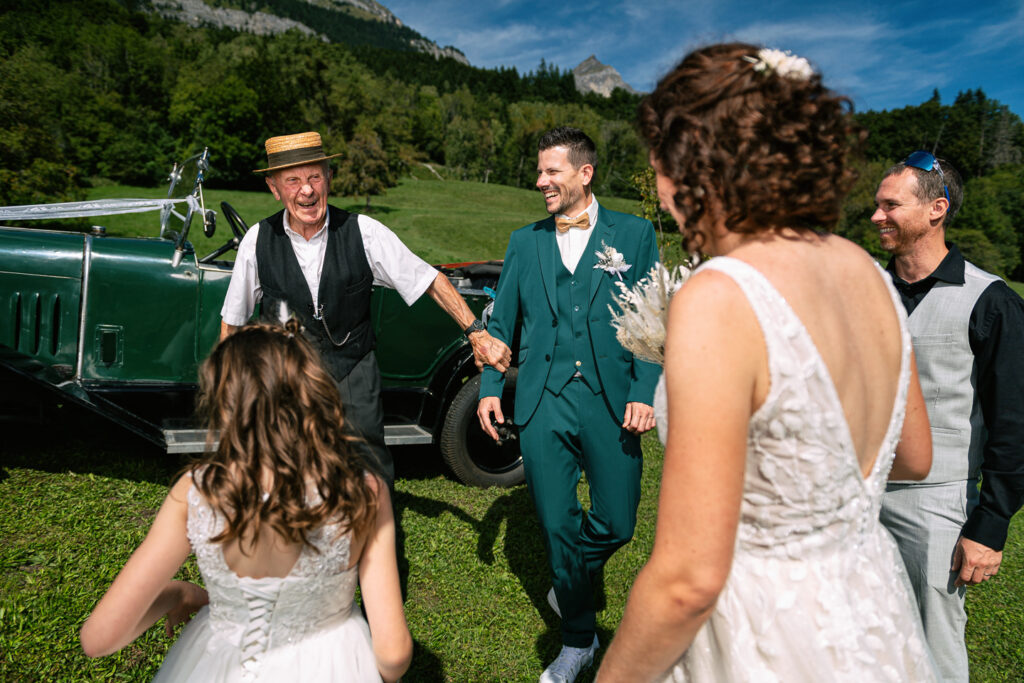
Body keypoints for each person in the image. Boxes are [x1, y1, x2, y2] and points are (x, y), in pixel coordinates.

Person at [595, 43, 938, 681]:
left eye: (662, 169)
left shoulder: (721, 295)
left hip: (764, 630)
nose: (663, 197)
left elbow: (687, 581)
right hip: (872, 610)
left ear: (700, 166)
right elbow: (915, 457)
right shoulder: (870, 274)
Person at [80, 321, 412, 682]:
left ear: (224, 403)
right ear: (313, 394)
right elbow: (393, 655)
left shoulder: (195, 492)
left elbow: (100, 638)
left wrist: (177, 594)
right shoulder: (364, 491)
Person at [221, 131, 511, 486]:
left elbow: (429, 279)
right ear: (274, 188)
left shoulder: (364, 231)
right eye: (293, 180)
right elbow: (232, 321)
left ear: (329, 178)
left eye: (314, 177)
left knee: (367, 473)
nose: (306, 190)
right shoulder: (257, 240)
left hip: (352, 371)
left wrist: (477, 334)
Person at [477, 126, 660, 683]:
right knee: (558, 525)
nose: (540, 181)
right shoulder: (524, 241)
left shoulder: (635, 234)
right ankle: (577, 640)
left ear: (585, 173)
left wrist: (644, 392)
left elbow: (652, 320)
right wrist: (490, 387)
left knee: (619, 521)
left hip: (611, 399)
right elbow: (501, 323)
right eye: (539, 171)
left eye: (551, 171)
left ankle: (570, 578)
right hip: (542, 400)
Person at [873, 152, 1024, 681]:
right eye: (877, 204)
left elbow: (1014, 423)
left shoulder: (991, 301)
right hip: (855, 495)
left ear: (936, 209)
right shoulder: (863, 291)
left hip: (936, 504)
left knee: (932, 654)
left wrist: (991, 524)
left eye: (891, 205)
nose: (877, 215)